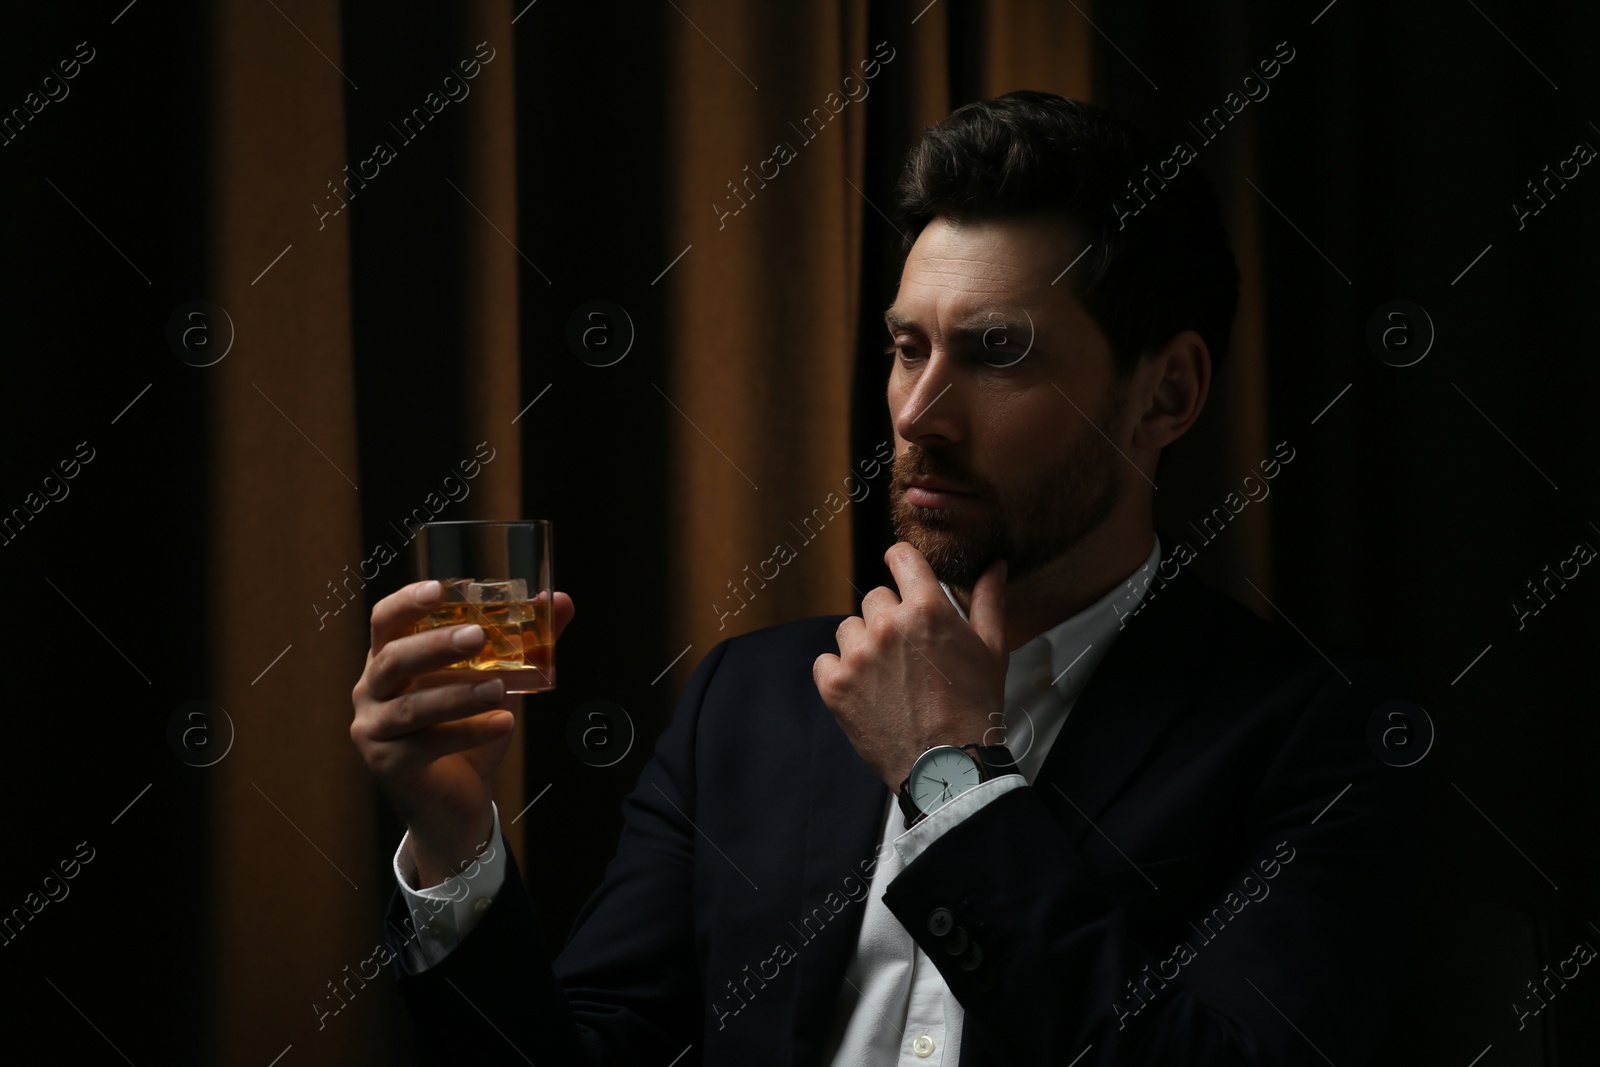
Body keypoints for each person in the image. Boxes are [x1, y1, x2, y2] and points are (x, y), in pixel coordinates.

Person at [350, 91, 1422, 1066]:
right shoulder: (749, 700)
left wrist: (950, 779)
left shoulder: (1319, 739)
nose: (917, 414)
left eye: (997, 351)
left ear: (1168, 393)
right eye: (909, 348)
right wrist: (452, 845)